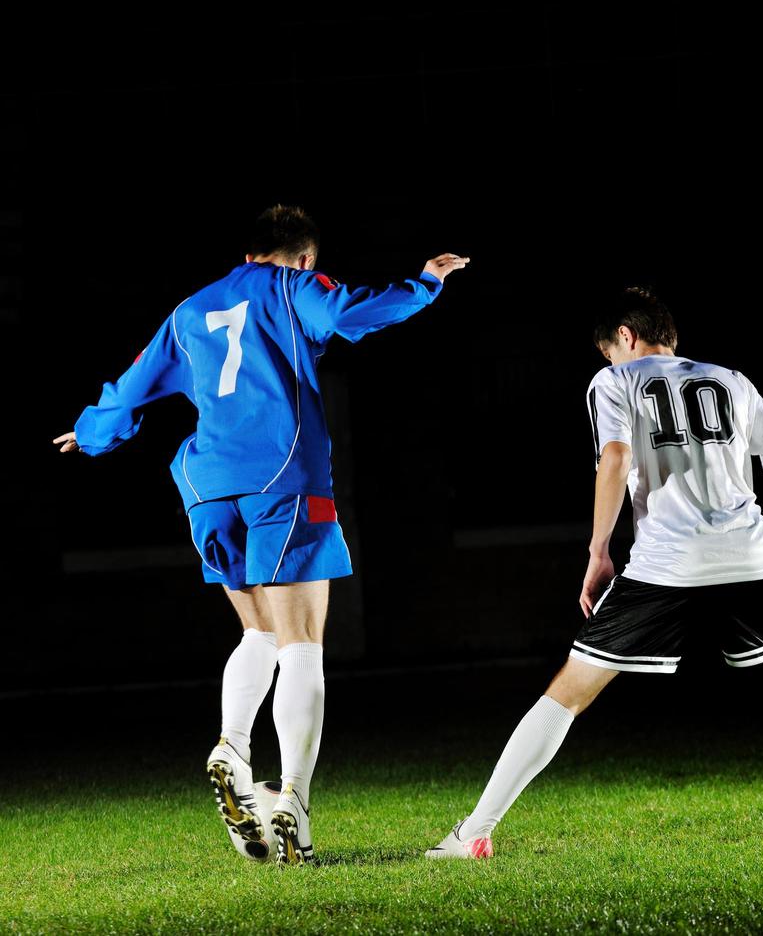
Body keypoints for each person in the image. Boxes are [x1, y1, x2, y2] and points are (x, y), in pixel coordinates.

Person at [52, 202, 469, 867]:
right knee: (303, 643)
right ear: (304, 258)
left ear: (246, 253)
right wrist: (425, 283)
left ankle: (234, 751)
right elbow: (347, 314)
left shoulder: (190, 308)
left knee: (259, 632)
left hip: (206, 484)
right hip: (283, 476)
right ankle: (293, 805)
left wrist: (95, 433)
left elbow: (131, 389)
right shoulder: (296, 285)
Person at [426, 285, 763, 858]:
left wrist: (599, 551)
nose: (609, 361)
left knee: (568, 692)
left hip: (665, 563)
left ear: (625, 336)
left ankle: (474, 832)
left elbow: (616, 458)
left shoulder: (615, 381)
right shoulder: (731, 379)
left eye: (610, 351)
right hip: (750, 556)